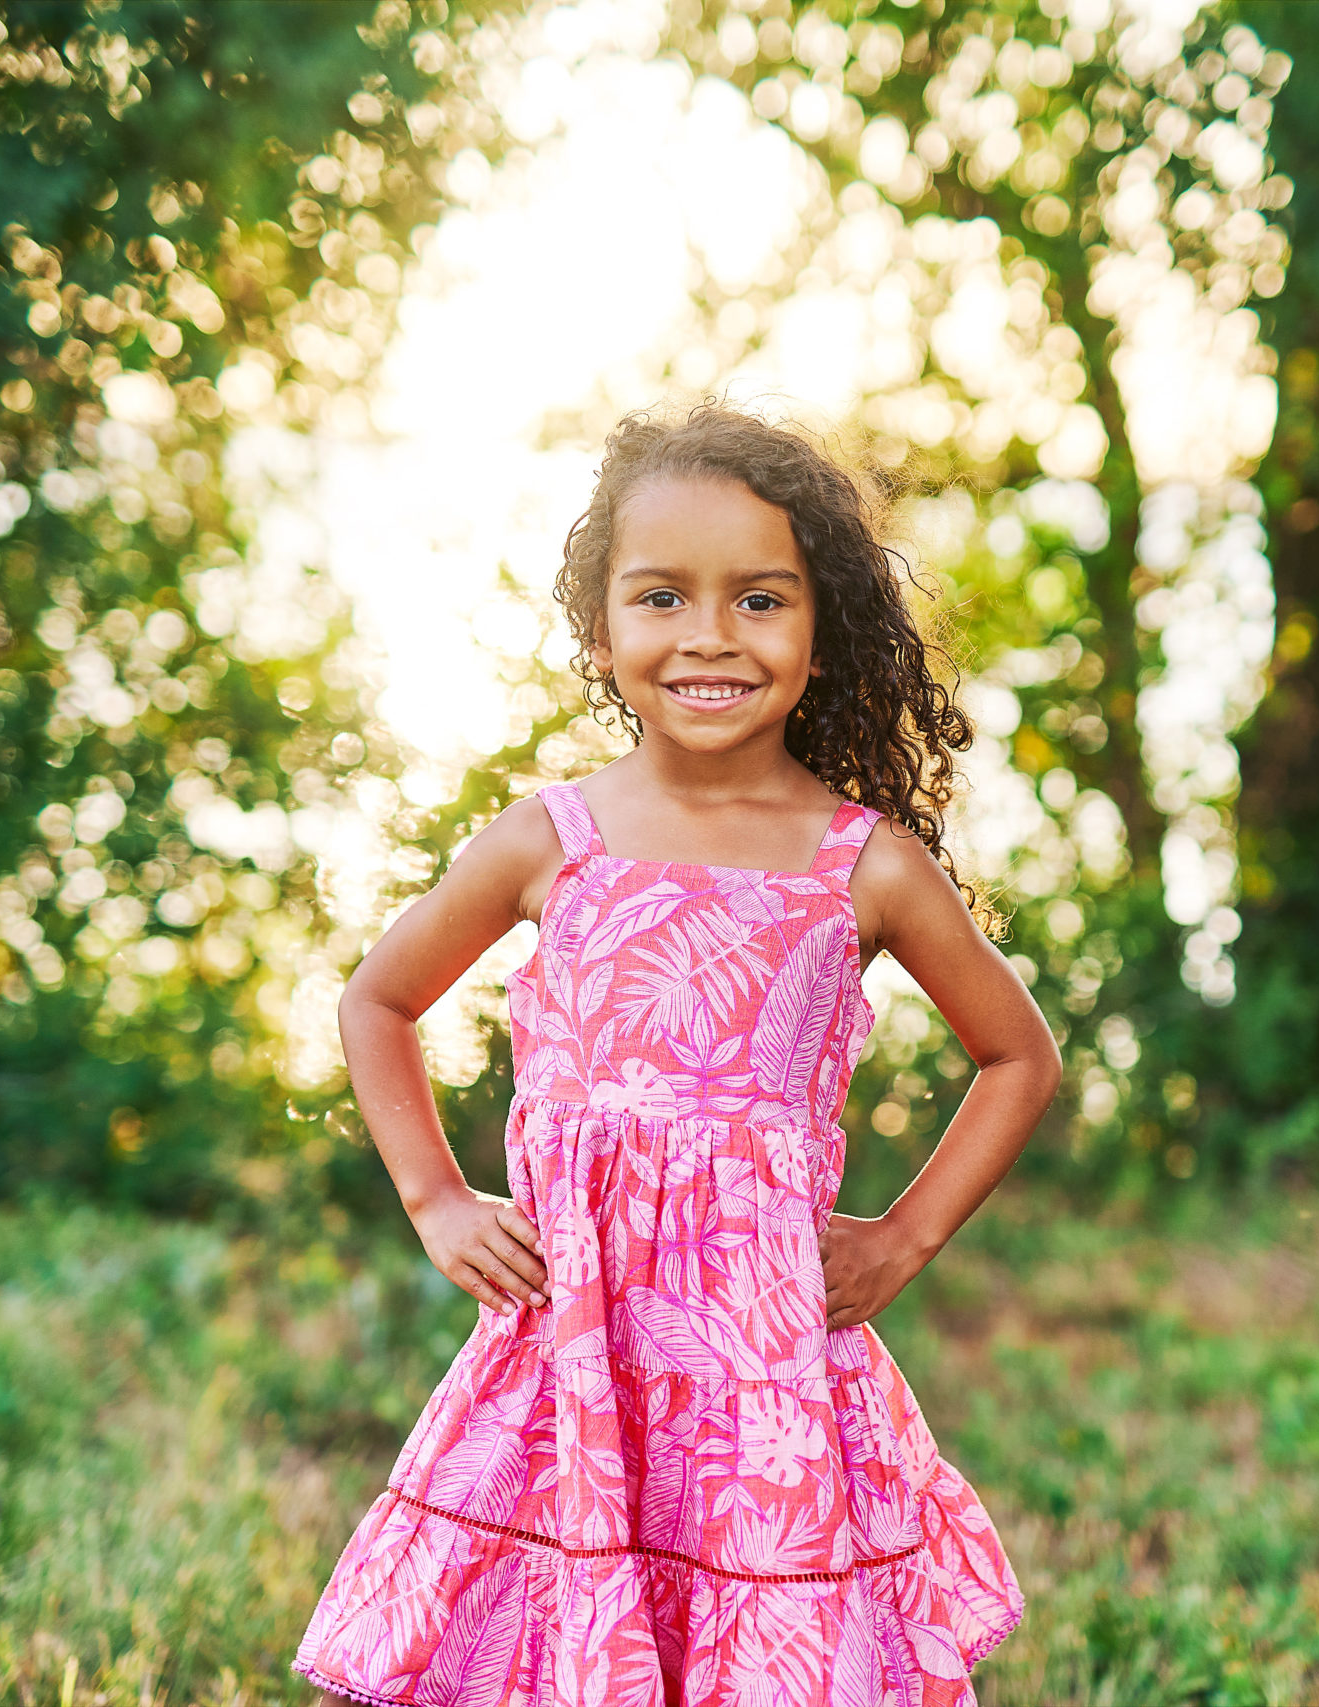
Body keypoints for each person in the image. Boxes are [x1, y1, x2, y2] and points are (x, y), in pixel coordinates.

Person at [291, 403, 1062, 1706]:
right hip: (572, 1351)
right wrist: (432, 1194)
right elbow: (379, 1000)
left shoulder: (859, 864)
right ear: (604, 631)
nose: (709, 635)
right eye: (662, 597)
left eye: (760, 600)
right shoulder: (553, 840)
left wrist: (901, 1239)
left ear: (823, 635)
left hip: (763, 1372)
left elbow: (1017, 1056)